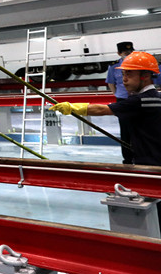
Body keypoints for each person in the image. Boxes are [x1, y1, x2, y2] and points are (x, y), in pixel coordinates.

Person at [52, 51, 161, 226]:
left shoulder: (139, 101)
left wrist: (72, 108)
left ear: (146, 76)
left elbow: (102, 110)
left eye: (129, 74)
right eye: (123, 74)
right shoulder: (157, 97)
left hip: (150, 166)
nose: (124, 79)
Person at [106, 42, 161, 163]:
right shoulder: (114, 66)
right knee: (126, 132)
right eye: (126, 53)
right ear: (119, 53)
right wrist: (118, 95)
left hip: (142, 99)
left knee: (147, 132)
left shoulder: (142, 64)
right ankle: (128, 159)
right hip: (124, 100)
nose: (129, 55)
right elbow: (111, 82)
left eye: (130, 52)